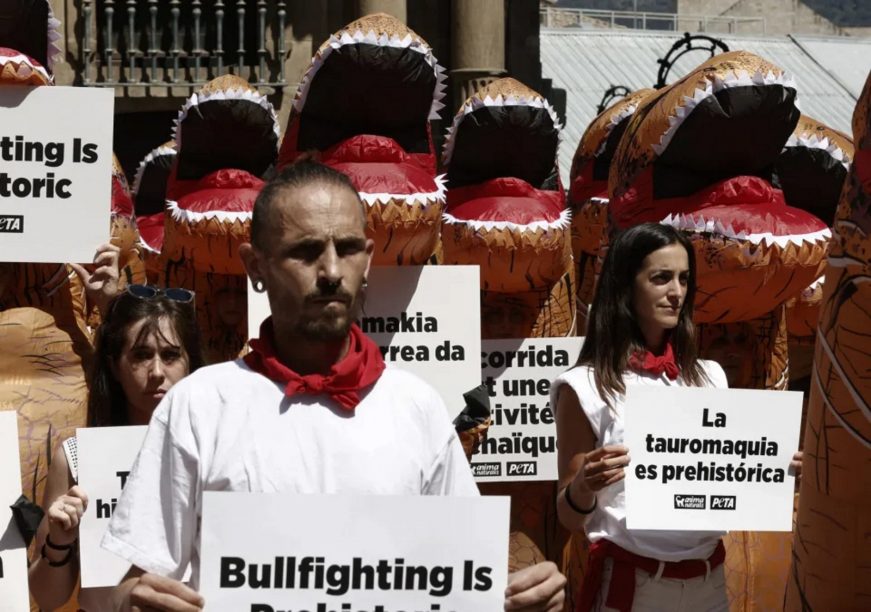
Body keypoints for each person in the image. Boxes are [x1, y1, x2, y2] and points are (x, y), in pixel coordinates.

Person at [100, 161, 566, 611]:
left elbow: (462, 582)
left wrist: (519, 598)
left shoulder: (417, 408)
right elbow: (136, 580)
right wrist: (131, 603)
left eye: (346, 248)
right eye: (304, 251)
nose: (330, 272)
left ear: (367, 257)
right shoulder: (199, 406)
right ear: (255, 265)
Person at [553, 223, 801, 612]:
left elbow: (726, 469)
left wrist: (776, 464)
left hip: (710, 582)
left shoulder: (711, 376)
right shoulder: (582, 386)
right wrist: (585, 483)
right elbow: (567, 515)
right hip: (633, 588)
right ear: (625, 285)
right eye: (661, 278)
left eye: (685, 279)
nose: (677, 292)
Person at [29, 260, 203, 612]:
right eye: (141, 355)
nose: (157, 372)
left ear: (190, 363)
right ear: (114, 364)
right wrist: (59, 541)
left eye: (171, 355)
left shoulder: (216, 452)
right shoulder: (78, 458)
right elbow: (47, 598)